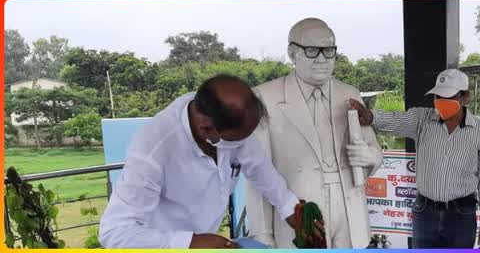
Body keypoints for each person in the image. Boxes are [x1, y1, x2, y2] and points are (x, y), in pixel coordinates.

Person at [99, 75, 323, 249]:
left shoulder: (223, 119)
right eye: (237, 140)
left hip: (205, 239)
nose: (244, 145)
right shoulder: (153, 150)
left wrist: (291, 208)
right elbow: (115, 232)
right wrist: (189, 242)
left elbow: (260, 167)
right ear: (207, 129)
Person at [245, 18, 383, 248]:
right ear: (292, 52)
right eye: (312, 51)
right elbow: (258, 173)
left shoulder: (349, 93)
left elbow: (374, 151)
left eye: (328, 51)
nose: (321, 59)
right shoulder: (265, 97)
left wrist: (369, 158)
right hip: (299, 210)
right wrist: (263, 237)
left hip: (349, 209)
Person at [350, 68, 480, 249]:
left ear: (464, 97)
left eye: (449, 97)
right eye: (438, 97)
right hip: (425, 213)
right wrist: (370, 116)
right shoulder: (422, 119)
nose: (441, 102)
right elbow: (396, 120)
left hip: (461, 215)